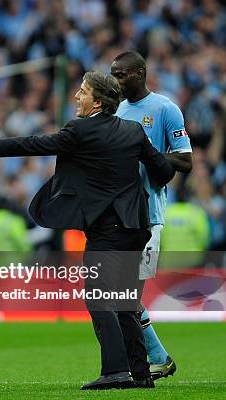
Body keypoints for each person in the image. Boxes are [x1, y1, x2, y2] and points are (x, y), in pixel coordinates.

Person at [0, 71, 176, 390]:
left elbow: (32, 144)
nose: (76, 97)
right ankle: (139, 374)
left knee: (98, 296)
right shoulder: (133, 130)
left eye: (82, 92)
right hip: (136, 225)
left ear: (98, 101)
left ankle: (115, 370)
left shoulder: (80, 130)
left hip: (107, 228)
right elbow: (164, 171)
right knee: (125, 301)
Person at [111, 50, 193, 380]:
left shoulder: (164, 109)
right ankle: (153, 358)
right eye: (113, 74)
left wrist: (147, 153)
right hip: (117, 213)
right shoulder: (115, 110)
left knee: (125, 294)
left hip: (148, 214)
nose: (116, 80)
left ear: (140, 73)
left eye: (121, 74)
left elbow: (186, 161)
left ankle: (146, 362)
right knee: (119, 293)